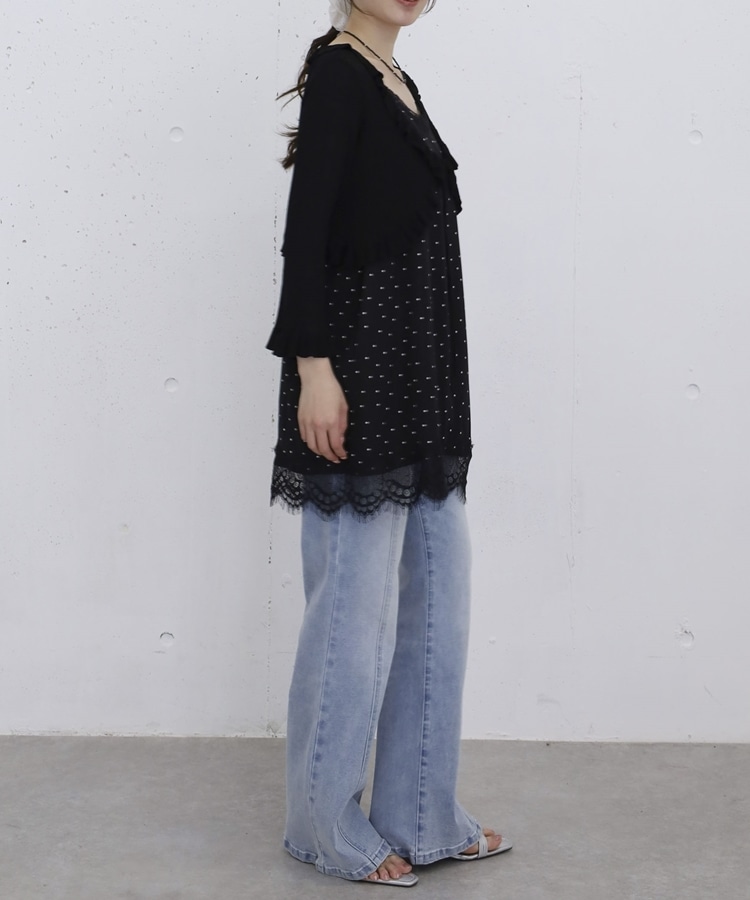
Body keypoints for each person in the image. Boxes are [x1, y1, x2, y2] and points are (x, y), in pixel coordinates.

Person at [266, 0, 512, 886]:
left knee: (440, 603)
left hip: (422, 383)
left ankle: (421, 814)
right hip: (358, 380)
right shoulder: (340, 74)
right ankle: (322, 825)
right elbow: (306, 233)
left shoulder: (394, 77)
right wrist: (314, 369)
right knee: (353, 615)